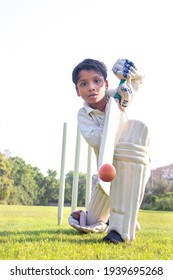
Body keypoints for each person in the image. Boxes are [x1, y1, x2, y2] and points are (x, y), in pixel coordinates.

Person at [68, 58, 151, 244]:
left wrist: (130, 73)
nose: (91, 87)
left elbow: (139, 80)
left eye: (97, 81)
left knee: (125, 186)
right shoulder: (84, 114)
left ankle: (119, 232)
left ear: (105, 84)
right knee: (91, 222)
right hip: (107, 171)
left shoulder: (117, 94)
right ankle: (104, 218)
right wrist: (116, 108)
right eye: (84, 84)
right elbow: (96, 139)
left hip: (132, 161)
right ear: (77, 91)